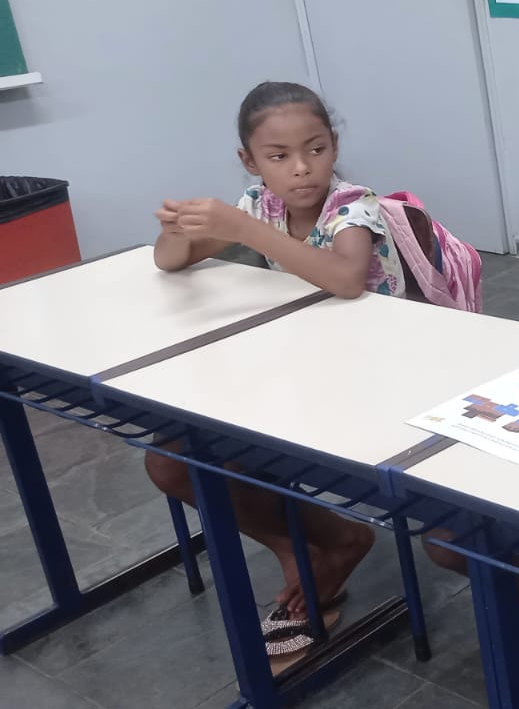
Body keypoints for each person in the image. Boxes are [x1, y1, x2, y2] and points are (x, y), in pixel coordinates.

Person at [147, 81, 403, 640]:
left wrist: (246, 231)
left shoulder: (352, 204)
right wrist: (175, 231)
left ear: (334, 146)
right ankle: (301, 548)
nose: (302, 168)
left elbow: (346, 279)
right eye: (279, 157)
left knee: (222, 454)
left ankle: (333, 544)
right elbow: (170, 261)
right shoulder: (258, 204)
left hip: (369, 373)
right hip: (292, 365)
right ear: (250, 162)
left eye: (316, 149)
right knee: (168, 463)